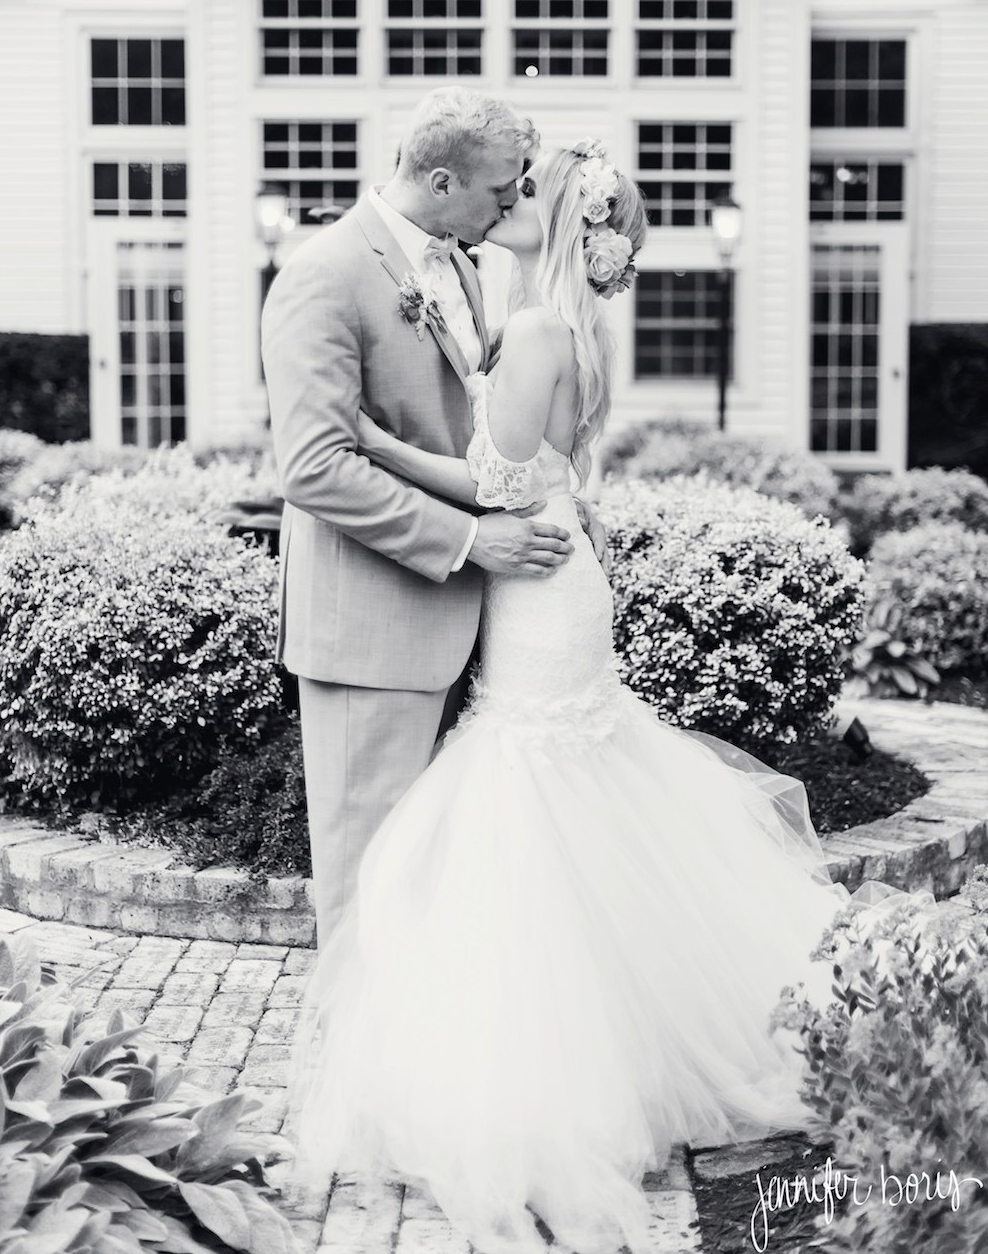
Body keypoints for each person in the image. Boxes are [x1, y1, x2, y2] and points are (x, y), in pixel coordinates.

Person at [285, 141, 923, 1253]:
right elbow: (554, 474)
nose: (508, 197)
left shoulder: (536, 328)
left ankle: (549, 1073)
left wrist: (379, 445)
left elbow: (497, 481)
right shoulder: (562, 326)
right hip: (552, 573)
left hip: (534, 582)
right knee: (564, 797)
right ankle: (610, 1043)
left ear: (560, 223)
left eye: (525, 190)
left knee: (528, 800)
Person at [261, 88, 606, 950]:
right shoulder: (324, 274)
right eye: (501, 186)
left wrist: (553, 496)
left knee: (432, 893)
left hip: (475, 631)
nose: (515, 198)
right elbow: (313, 467)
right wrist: (470, 540)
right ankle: (346, 1041)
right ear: (443, 181)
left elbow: (488, 434)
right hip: (372, 632)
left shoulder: (467, 266)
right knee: (366, 884)